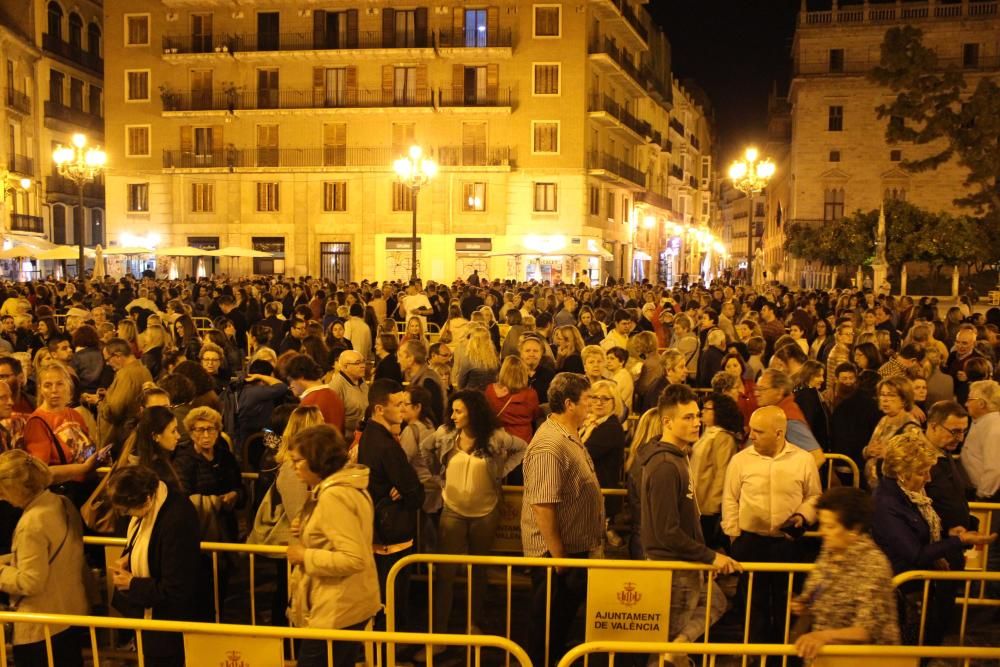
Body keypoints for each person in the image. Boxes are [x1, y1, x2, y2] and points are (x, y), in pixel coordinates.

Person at [634, 384, 740, 667]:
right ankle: (673, 652)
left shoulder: (677, 458)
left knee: (714, 604)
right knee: (664, 647)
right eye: (687, 418)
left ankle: (676, 650)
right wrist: (710, 556)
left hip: (683, 565)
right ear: (667, 421)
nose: (697, 423)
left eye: (697, 416)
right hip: (673, 570)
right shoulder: (666, 465)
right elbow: (666, 530)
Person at [419, 390, 525, 652]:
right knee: (445, 574)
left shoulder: (495, 437)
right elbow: (425, 448)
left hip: (485, 512)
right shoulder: (446, 434)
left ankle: (473, 623)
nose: (453, 415)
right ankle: (439, 635)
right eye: (452, 410)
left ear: (473, 412)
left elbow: (522, 448)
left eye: (459, 411)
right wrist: (438, 476)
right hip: (452, 510)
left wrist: (501, 471)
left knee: (478, 571)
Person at [872, 432, 996, 645]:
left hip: (922, 590)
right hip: (904, 593)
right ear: (902, 474)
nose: (928, 478)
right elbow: (915, 554)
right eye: (923, 472)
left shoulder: (911, 497)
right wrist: (959, 541)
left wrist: (948, 533)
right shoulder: (886, 504)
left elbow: (921, 533)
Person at [521, 372, 603, 667]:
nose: (592, 405)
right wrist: (559, 558)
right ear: (570, 404)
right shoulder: (549, 445)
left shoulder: (567, 435)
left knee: (558, 626)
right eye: (588, 400)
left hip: (568, 552)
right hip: (554, 558)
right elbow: (543, 505)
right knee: (546, 628)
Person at [722, 405, 822, 644]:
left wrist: (802, 516)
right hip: (751, 542)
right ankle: (754, 654)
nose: (751, 436)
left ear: (778, 433)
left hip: (786, 545)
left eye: (758, 431)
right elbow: (730, 498)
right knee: (751, 604)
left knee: (785, 601)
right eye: (752, 430)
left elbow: (814, 496)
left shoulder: (803, 460)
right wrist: (734, 535)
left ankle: (784, 654)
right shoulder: (740, 461)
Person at [286, 424, 382, 667]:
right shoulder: (347, 488)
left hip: (337, 607)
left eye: (298, 460)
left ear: (316, 460)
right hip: (347, 602)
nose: (293, 466)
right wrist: (307, 528)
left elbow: (353, 557)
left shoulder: (333, 496)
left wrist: (305, 556)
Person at [0, 449, 89, 667]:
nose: (2, 497)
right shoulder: (61, 503)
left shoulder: (30, 524)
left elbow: (31, 581)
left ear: (15, 488)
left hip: (40, 626)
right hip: (69, 614)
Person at [109, 464, 202, 667]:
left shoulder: (177, 520)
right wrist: (129, 557)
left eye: (128, 510)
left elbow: (176, 589)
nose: (128, 516)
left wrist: (132, 584)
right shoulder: (157, 500)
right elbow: (145, 543)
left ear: (147, 499)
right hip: (157, 625)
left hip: (170, 628)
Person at [791, 487, 900, 660]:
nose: (822, 532)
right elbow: (819, 591)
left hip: (863, 660)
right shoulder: (829, 552)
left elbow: (867, 629)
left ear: (854, 529)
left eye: (830, 526)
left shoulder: (873, 564)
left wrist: (823, 636)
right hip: (830, 658)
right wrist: (806, 604)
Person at [357, 379, 424, 631]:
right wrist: (410, 490)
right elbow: (416, 493)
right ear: (379, 409)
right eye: (397, 405)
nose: (403, 410)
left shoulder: (370, 437)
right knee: (393, 601)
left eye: (405, 404)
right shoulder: (386, 446)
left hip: (381, 530)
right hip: (391, 535)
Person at [22, 361, 99, 489]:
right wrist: (83, 468)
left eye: (59, 384)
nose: (54, 390)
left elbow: (87, 448)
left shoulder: (74, 414)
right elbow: (41, 472)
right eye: (48, 385)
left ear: (68, 386)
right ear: (40, 389)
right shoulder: (37, 422)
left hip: (87, 486)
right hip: (66, 491)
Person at [690, 393, 743, 550]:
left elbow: (722, 473)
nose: (703, 412)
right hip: (698, 499)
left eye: (707, 409)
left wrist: (714, 506)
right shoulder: (707, 433)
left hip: (708, 505)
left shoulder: (723, 439)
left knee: (707, 544)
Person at [579, 379, 626, 542]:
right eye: (594, 397)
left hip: (600, 491)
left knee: (592, 542)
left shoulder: (611, 427)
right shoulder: (590, 423)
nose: (599, 402)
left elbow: (582, 454)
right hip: (588, 489)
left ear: (614, 402)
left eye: (605, 398)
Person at [753, 368, 824, 467]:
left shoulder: (789, 419)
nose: (756, 394)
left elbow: (817, 457)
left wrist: (792, 479)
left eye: (762, 389)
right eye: (756, 389)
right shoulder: (773, 413)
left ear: (779, 391)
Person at [863, 376, 922, 489]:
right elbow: (872, 448)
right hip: (876, 487)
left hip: (895, 490)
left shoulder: (910, 425)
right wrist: (868, 451)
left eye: (891, 395)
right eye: (882, 394)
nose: (884, 399)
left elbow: (917, 460)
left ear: (903, 400)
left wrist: (889, 454)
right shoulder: (884, 420)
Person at [98, 338, 154, 449]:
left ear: (118, 356)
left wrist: (101, 403)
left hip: (122, 437)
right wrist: (110, 394)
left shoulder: (125, 374)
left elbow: (115, 410)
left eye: (108, 360)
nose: (108, 364)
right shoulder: (144, 370)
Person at [485, 355, 540, 446]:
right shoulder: (531, 394)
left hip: (499, 440)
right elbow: (535, 415)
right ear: (523, 373)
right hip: (523, 440)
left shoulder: (490, 390)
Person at [285, 354, 346, 433]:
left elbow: (306, 437)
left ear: (300, 376)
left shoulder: (309, 403)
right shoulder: (333, 394)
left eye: (290, 380)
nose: (290, 386)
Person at [961, 379, 1000, 501]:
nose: (966, 404)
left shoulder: (994, 428)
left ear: (981, 404)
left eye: (970, 399)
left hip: (987, 497)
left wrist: (982, 495)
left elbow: (994, 469)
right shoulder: (982, 422)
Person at [397, 339, 447, 427]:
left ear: (411, 359)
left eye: (401, 356)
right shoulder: (419, 378)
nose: (398, 361)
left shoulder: (428, 382)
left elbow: (433, 417)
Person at [328, 350, 370, 436]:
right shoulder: (336, 386)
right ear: (345, 367)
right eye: (357, 363)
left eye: (363, 362)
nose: (363, 366)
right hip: (348, 437)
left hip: (364, 433)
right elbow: (334, 418)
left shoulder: (361, 380)